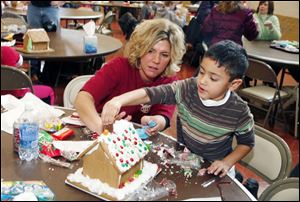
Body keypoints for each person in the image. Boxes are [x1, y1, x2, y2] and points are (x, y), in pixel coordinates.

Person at [101, 40, 255, 178]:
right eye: (201, 72)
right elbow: (153, 94)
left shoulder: (239, 112)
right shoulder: (188, 88)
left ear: (234, 84)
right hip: (184, 156)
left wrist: (227, 162)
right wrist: (118, 100)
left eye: (213, 78)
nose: (202, 81)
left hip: (214, 167)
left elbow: (247, 143)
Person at [75, 18, 186, 136]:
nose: (156, 60)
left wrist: (157, 121)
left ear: (171, 58)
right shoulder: (119, 67)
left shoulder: (170, 81)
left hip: (132, 139)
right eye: (150, 51)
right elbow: (83, 98)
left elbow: (164, 116)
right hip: (97, 130)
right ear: (139, 49)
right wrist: (103, 129)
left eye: (164, 55)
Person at [26, 1, 64, 83]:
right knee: (33, 41)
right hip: (34, 7)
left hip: (51, 8)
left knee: (53, 41)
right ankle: (34, 73)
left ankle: (49, 77)